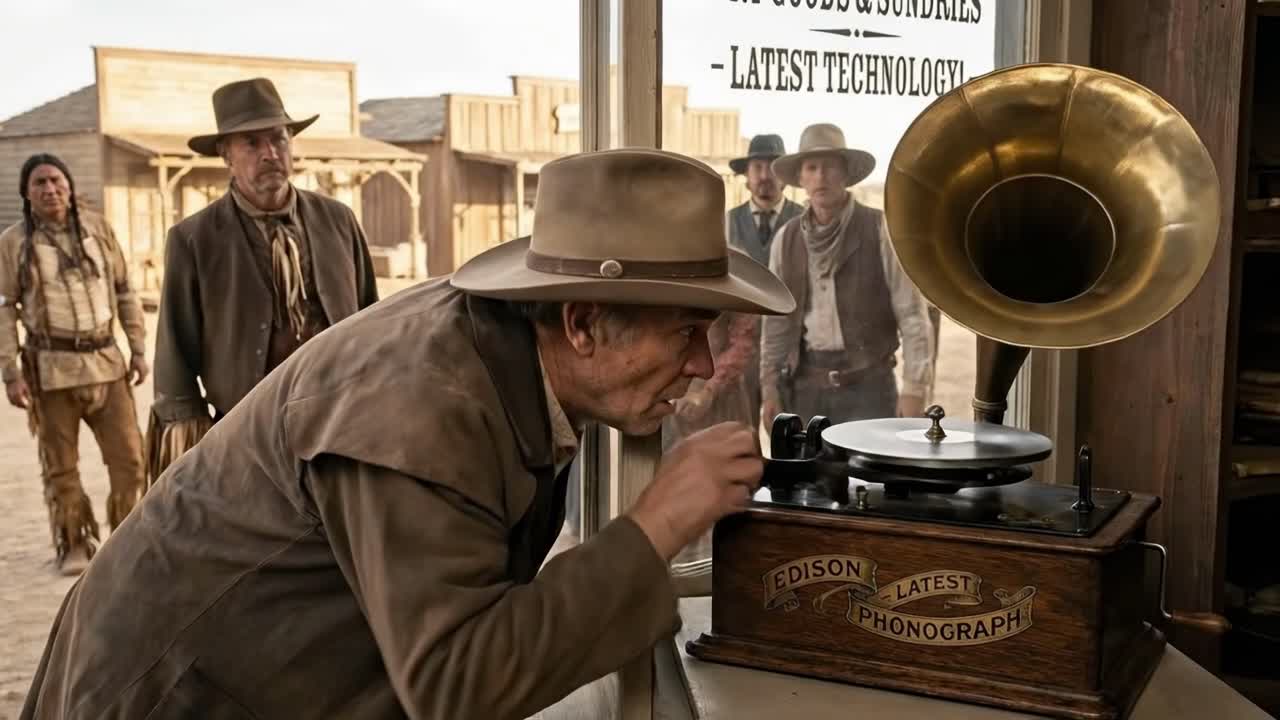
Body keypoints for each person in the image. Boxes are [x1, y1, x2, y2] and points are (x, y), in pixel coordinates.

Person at [21, 148, 795, 720]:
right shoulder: (421, 409)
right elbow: (455, 683)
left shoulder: (511, 355)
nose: (701, 363)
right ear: (584, 323)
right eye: (686, 332)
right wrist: (658, 521)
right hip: (159, 695)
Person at [145, 77, 379, 483]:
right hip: (248, 431)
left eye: (279, 139)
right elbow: (175, 347)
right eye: (252, 143)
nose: (270, 153)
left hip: (342, 420)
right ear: (226, 156)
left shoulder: (337, 220)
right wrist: (188, 434)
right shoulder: (194, 239)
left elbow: (372, 317)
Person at [0, 153, 147, 575]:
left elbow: (123, 289)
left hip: (106, 362)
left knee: (131, 460)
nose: (50, 189)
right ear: (27, 194)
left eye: (56, 180)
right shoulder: (14, 243)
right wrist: (10, 372)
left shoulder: (98, 230)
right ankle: (73, 543)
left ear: (69, 184)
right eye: (39, 183)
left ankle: (125, 538)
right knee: (61, 466)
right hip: (51, 369)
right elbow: (5, 309)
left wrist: (137, 347)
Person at [760, 123, 935, 427]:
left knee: (871, 475)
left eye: (830, 167)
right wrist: (769, 387)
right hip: (805, 392)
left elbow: (912, 315)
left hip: (870, 391)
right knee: (805, 475)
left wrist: (914, 390)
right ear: (801, 179)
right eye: (812, 168)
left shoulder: (881, 230)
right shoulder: (786, 240)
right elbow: (776, 323)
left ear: (846, 174)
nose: (821, 176)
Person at [667, 135, 804, 448]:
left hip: (787, 355)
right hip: (732, 356)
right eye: (757, 167)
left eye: (772, 167)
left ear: (784, 177)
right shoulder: (723, 225)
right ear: (746, 176)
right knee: (739, 438)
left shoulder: (802, 222)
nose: (765, 175)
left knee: (789, 436)